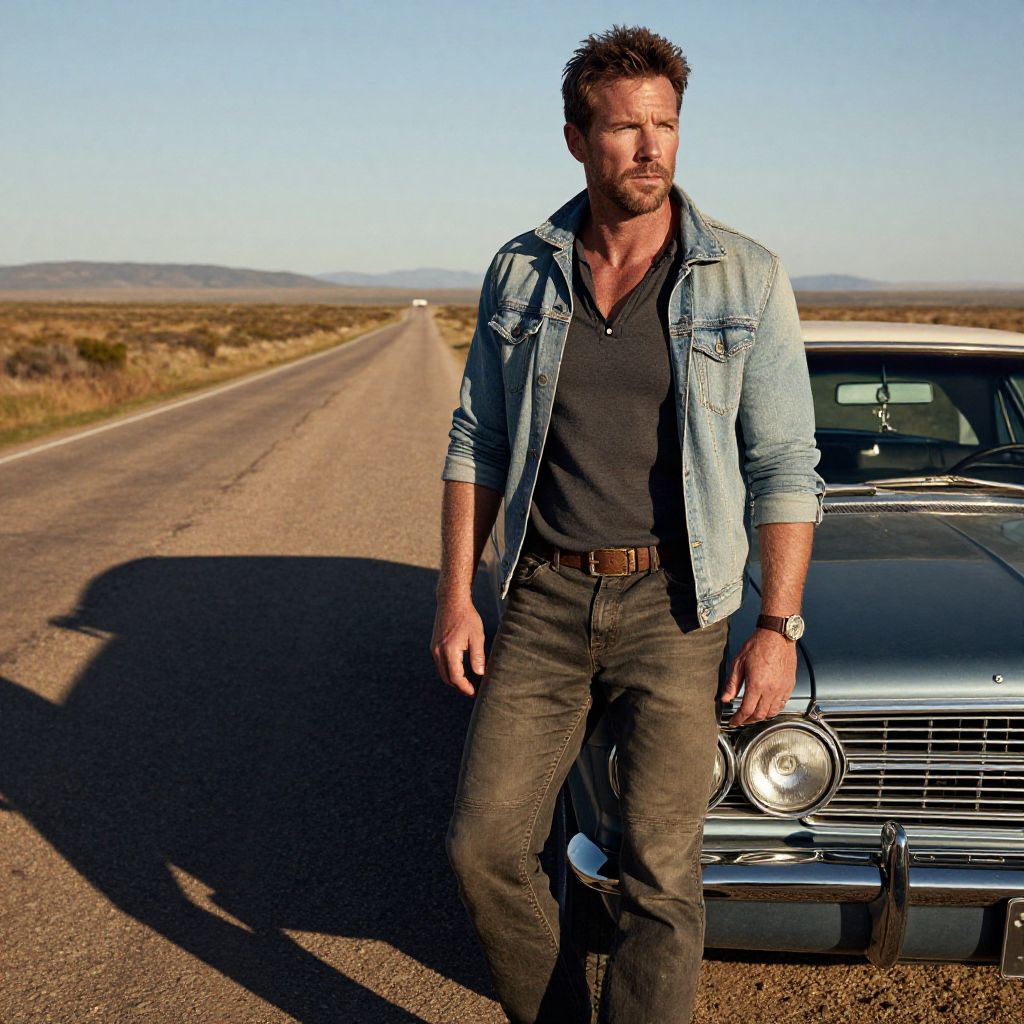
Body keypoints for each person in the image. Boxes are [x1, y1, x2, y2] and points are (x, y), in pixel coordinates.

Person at [430, 24, 825, 1024]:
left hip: (674, 604)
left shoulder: (743, 275)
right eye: (623, 129)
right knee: (482, 846)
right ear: (576, 138)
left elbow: (783, 463)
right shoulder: (522, 273)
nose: (648, 148)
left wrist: (776, 626)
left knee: (660, 872)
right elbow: (475, 437)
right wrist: (456, 594)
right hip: (543, 594)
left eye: (664, 126)